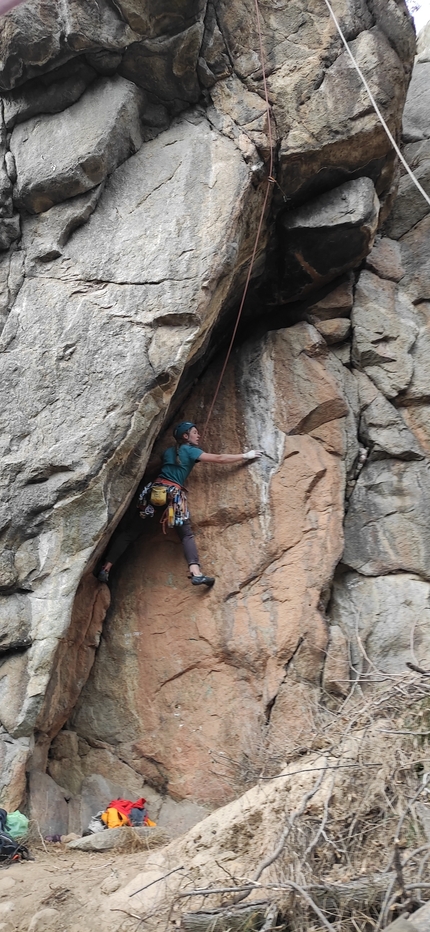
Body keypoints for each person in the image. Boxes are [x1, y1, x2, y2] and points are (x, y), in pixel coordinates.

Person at [97, 421, 262, 588]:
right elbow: (218, 459)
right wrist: (245, 456)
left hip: (153, 494)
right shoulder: (190, 451)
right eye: (195, 432)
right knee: (186, 535)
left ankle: (106, 568)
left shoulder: (168, 452)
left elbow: (148, 468)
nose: (199, 435)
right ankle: (196, 574)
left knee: (131, 532)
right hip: (172, 495)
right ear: (186, 436)